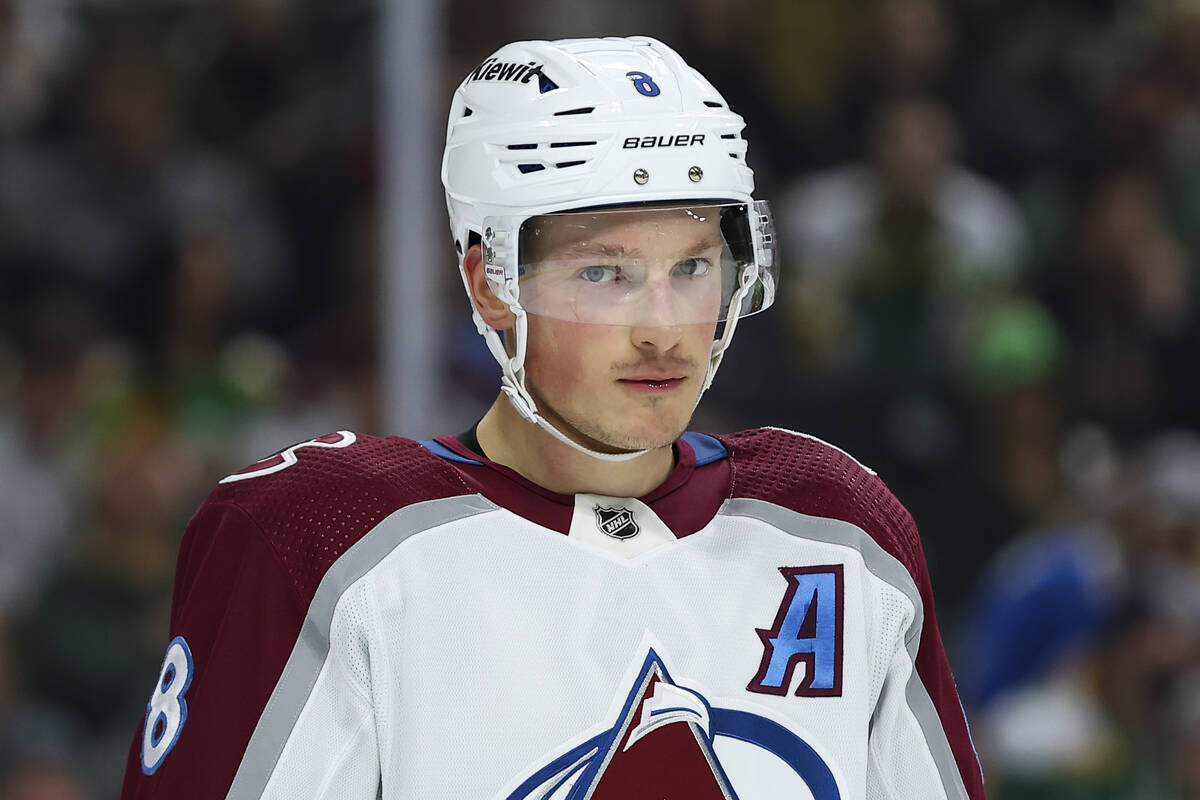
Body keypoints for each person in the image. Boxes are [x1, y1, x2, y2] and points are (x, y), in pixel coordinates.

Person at [119, 36, 985, 799]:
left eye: (691, 268)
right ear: (488, 283)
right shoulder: (328, 541)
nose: (662, 330)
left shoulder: (837, 530)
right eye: (603, 274)